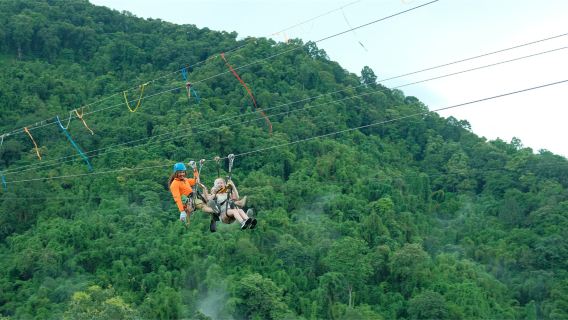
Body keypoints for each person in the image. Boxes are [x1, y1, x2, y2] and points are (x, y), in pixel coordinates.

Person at [168, 162, 219, 231]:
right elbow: (177, 198)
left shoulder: (185, 180)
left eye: (183, 172)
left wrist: (195, 169)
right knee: (203, 206)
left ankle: (214, 215)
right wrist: (182, 211)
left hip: (194, 196)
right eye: (180, 172)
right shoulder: (174, 184)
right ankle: (215, 211)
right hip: (189, 201)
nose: (182, 174)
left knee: (208, 198)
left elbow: (196, 181)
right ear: (175, 173)